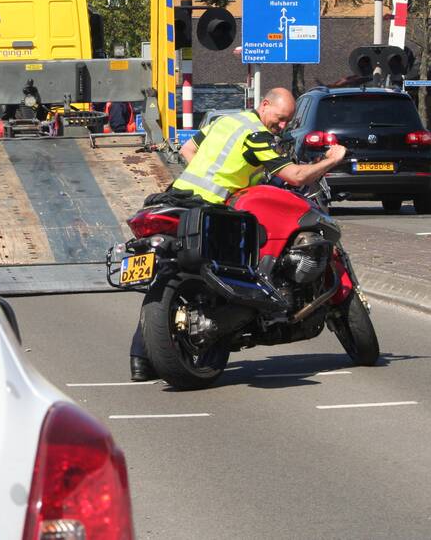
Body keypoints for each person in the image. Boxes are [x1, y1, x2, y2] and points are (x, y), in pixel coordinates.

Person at [129, 87, 349, 381]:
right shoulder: (256, 135)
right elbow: (296, 176)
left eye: (288, 121)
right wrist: (332, 159)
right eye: (280, 118)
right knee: (243, 270)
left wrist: (223, 174)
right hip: (210, 206)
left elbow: (187, 150)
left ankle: (140, 360)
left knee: (167, 273)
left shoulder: (225, 122)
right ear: (264, 104)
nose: (282, 125)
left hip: (178, 198)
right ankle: (257, 311)